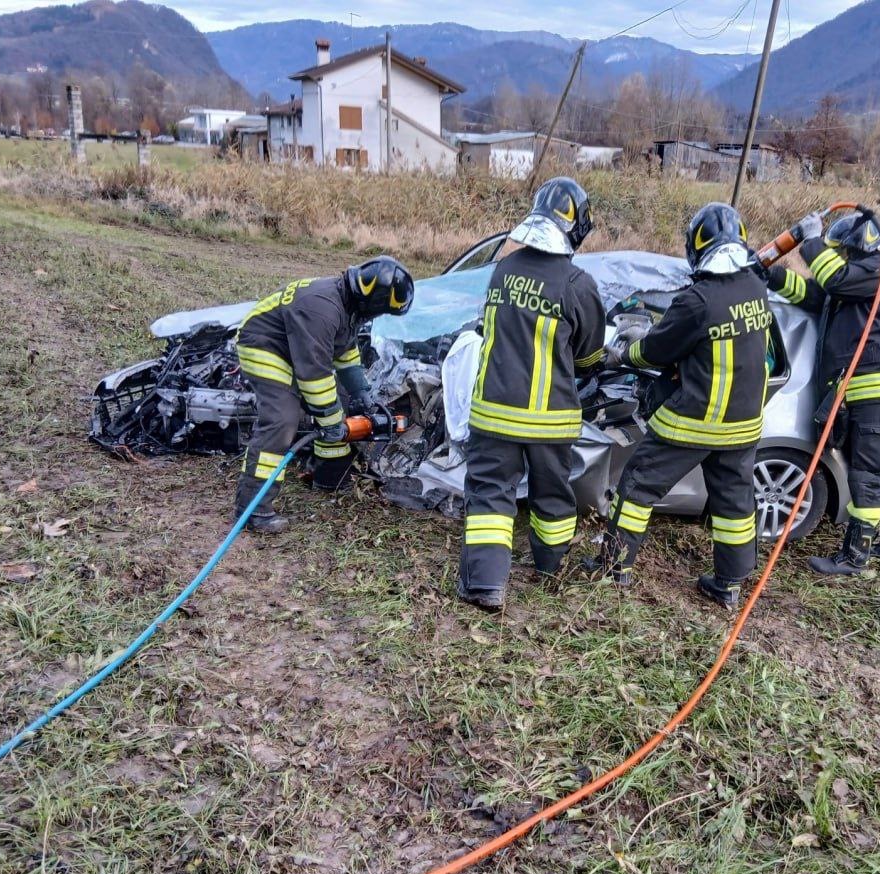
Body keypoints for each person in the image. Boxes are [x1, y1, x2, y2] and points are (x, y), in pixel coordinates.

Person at [596, 202, 771, 611]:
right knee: (734, 505)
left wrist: (623, 356)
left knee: (637, 486)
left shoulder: (698, 300)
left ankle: (613, 568)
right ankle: (728, 585)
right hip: (743, 424)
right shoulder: (754, 289)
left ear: (697, 246)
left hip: (695, 421)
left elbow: (656, 350)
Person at [457, 177, 607, 611]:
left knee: (489, 496)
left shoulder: (503, 269)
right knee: (552, 496)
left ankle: (485, 585)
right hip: (550, 421)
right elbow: (589, 358)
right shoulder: (578, 283)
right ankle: (549, 568)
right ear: (577, 226)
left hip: (493, 413)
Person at [764, 209, 880, 574]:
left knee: (865, 474)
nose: (841, 258)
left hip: (877, 389)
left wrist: (812, 240)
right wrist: (768, 273)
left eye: (843, 252)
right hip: (866, 391)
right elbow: (813, 294)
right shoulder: (857, 281)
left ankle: (854, 557)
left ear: (858, 247)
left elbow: (833, 278)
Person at [234, 256, 415, 533]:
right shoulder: (322, 309)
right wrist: (331, 422)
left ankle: (327, 478)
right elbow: (314, 375)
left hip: (294, 348)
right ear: (374, 302)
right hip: (264, 343)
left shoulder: (348, 304)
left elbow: (345, 351)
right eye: (382, 311)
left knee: (337, 402)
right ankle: (253, 510)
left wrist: (361, 393)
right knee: (282, 419)